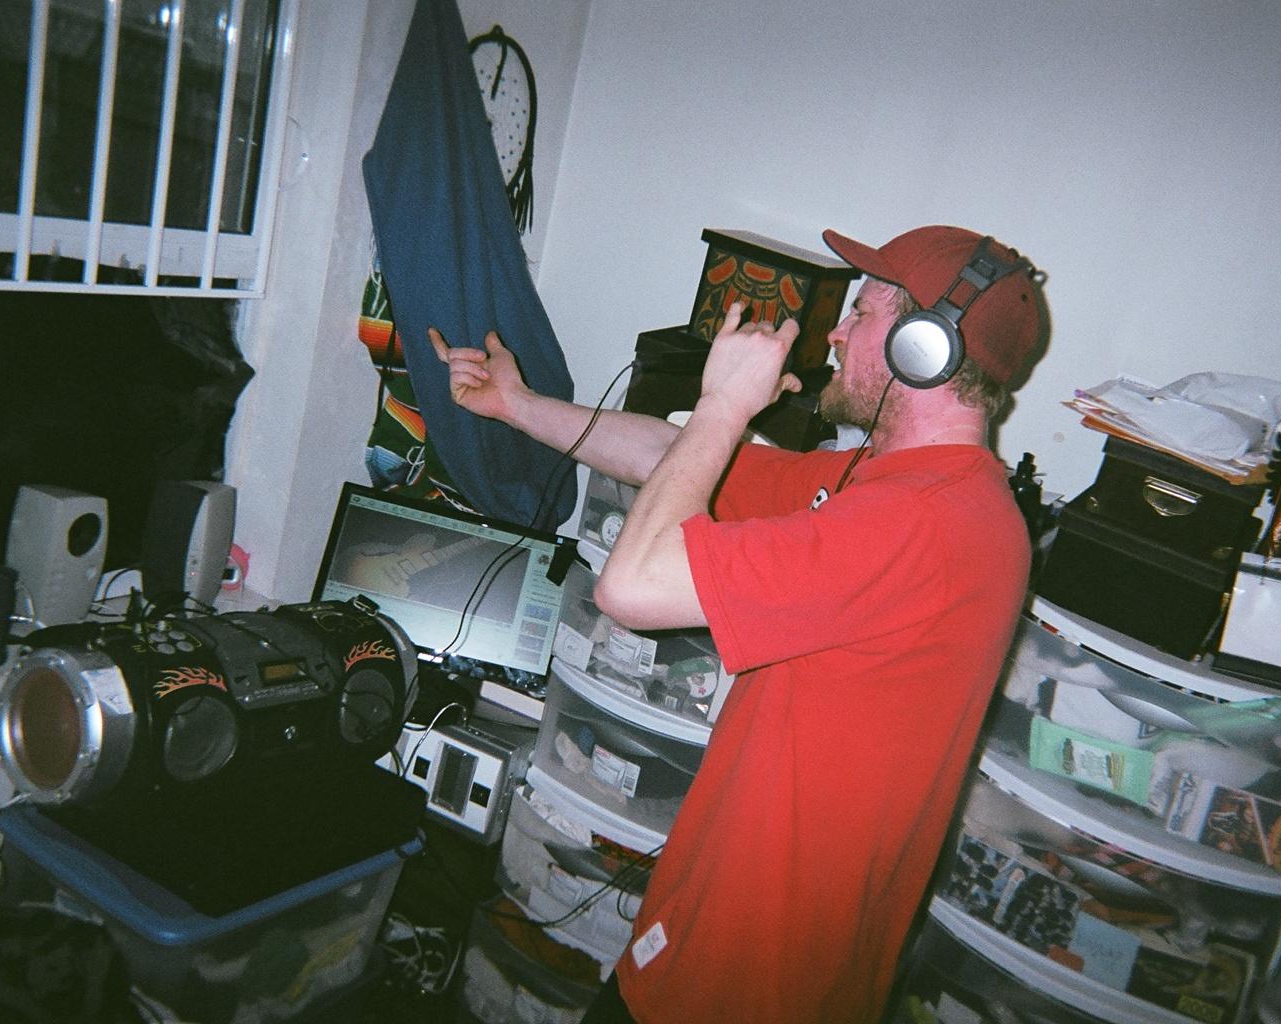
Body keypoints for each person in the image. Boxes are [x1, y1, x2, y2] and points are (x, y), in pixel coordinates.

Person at [429, 224, 1048, 1024]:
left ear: (922, 347)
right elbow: (667, 456)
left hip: (747, 980)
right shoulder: (908, 489)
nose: (835, 332)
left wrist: (723, 404)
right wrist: (518, 406)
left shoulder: (922, 525)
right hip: (730, 934)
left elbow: (631, 586)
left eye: (861, 312)